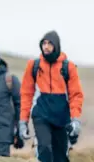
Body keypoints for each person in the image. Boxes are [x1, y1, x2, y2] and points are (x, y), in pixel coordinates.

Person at [18, 30, 84, 162]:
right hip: (41, 115)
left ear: (56, 46)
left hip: (62, 118)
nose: (46, 47)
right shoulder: (34, 66)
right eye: (44, 43)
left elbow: (75, 95)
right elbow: (26, 94)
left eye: (49, 44)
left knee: (60, 157)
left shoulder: (68, 67)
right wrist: (23, 121)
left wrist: (75, 119)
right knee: (44, 149)